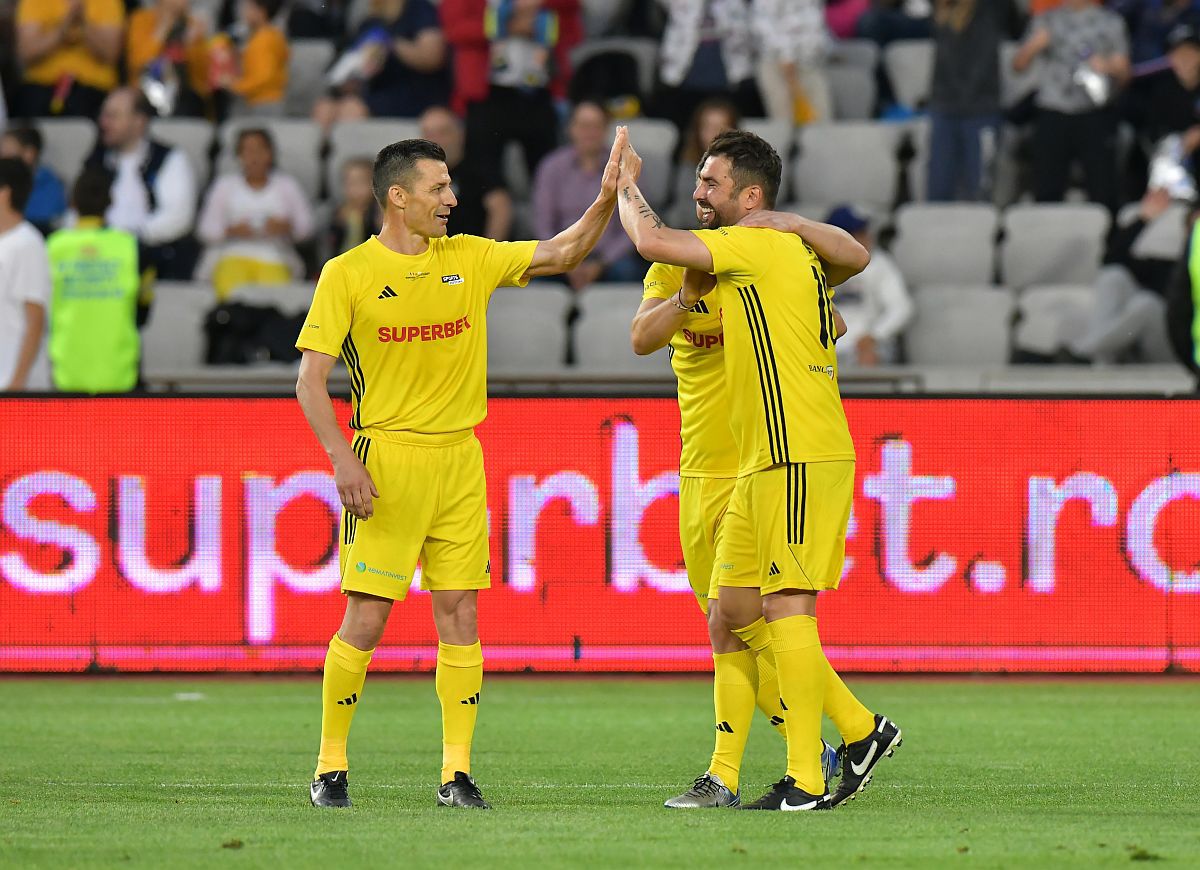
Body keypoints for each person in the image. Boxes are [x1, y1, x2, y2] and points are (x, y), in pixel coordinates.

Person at [297, 129, 628, 810]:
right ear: (397, 198)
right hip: (387, 460)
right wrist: (343, 462)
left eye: (449, 186)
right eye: (438, 188)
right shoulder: (347, 273)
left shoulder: (470, 258)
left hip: (459, 460)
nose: (452, 198)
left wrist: (607, 197)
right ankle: (330, 767)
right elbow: (310, 381)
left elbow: (564, 251)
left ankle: (455, 774)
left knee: (460, 614)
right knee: (367, 619)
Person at [615, 127, 903, 811]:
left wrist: (622, 185)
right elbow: (643, 334)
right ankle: (855, 732)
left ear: (750, 199)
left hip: (788, 448)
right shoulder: (753, 256)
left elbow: (650, 240)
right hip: (742, 462)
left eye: (710, 182)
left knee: (784, 607)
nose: (697, 192)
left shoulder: (756, 246)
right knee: (735, 612)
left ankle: (800, 776)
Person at [444, 0, 579, 188]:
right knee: (484, 177)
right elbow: (454, 29)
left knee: (547, 172)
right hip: (487, 93)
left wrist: (536, 8)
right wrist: (504, 26)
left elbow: (572, 17)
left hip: (540, 90)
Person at [1013, 0, 1131, 212]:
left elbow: (1124, 75)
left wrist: (1108, 66)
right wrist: (1033, 46)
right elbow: (1018, 65)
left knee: (1103, 190)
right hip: (1052, 111)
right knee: (1047, 190)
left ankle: (1107, 233)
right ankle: (1046, 231)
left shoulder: (1111, 21)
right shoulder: (1047, 19)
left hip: (1094, 113)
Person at [46, 166, 149, 394]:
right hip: (120, 373)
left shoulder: (53, 247)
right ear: (110, 202)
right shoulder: (132, 247)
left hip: (66, 372)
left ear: (72, 203)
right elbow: (144, 308)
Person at [84, 87, 198, 280]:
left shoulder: (169, 158)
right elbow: (78, 208)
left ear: (139, 121)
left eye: (113, 116)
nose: (103, 123)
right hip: (99, 253)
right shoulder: (97, 159)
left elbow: (178, 218)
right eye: (103, 115)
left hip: (150, 254)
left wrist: (132, 237)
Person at [196, 128, 315, 301]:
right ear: (239, 156)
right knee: (231, 295)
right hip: (232, 254)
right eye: (247, 151)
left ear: (270, 154)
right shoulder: (225, 185)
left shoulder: (286, 185)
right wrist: (231, 231)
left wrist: (286, 227)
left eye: (260, 150)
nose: (254, 157)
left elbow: (306, 227)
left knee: (276, 299)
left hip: (274, 256)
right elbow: (206, 229)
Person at [533, 101, 641, 289]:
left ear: (606, 129)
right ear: (571, 129)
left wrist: (602, 263)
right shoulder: (551, 167)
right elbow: (542, 223)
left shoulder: (626, 167)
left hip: (608, 258)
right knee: (533, 280)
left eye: (596, 126)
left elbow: (634, 224)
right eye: (584, 126)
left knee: (629, 271)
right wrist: (563, 260)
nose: (590, 133)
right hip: (560, 253)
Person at [1065, 187, 1178, 363]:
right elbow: (1112, 260)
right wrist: (1144, 219)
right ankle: (1100, 362)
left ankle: (1082, 352)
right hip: (1147, 341)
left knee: (1147, 303)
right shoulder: (1171, 266)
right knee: (1113, 277)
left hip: (1182, 350)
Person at [927, 0, 1023, 201]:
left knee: (980, 190)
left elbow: (1017, 28)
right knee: (938, 189)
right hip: (944, 108)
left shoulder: (994, 7)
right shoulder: (942, 6)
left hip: (982, 110)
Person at [314, 0, 448, 127]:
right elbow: (352, 69)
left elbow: (432, 56)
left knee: (352, 110)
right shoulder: (370, 20)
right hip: (375, 92)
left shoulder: (418, 9)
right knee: (325, 108)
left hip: (413, 92)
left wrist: (389, 43)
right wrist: (352, 80)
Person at [824, 205, 913, 367]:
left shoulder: (880, 263)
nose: (867, 237)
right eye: (859, 233)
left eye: (865, 231)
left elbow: (901, 308)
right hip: (822, 345)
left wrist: (874, 336)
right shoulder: (814, 262)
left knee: (871, 358)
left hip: (861, 347)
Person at [15, 0, 125, 118]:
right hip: (40, 87)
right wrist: (64, 27)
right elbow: (26, 53)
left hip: (93, 90)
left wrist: (82, 22)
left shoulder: (108, 2)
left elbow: (110, 54)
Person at [419, 105, 512, 240]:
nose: (435, 140)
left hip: (474, 248)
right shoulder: (416, 172)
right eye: (429, 134)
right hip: (431, 249)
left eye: (443, 132)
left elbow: (501, 209)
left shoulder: (480, 167)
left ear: (460, 133)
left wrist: (489, 251)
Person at [0, 158, 52, 392]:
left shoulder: (27, 243)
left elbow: (35, 319)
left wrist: (17, 383)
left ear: (5, 192)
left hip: (18, 390)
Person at [125, 0, 211, 118]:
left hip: (185, 103)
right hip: (146, 98)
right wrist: (162, 28)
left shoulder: (192, 24)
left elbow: (202, 77)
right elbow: (138, 62)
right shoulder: (141, 19)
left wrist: (193, 43)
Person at [752, 0, 832, 125]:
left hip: (812, 63)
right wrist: (786, 56)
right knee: (785, 122)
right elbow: (763, 23)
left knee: (822, 120)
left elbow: (816, 20)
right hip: (778, 64)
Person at [668, 98, 740, 227]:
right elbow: (683, 209)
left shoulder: (745, 166)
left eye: (721, 128)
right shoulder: (687, 163)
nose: (714, 134)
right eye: (708, 127)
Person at [216, 0, 288, 117]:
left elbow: (264, 77)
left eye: (250, 8)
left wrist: (235, 85)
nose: (245, 12)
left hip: (264, 103)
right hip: (262, 102)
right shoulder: (270, 35)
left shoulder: (264, 40)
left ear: (261, 12)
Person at [0, 126, 68, 234]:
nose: (2, 156)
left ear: (29, 153)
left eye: (7, 151)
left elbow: (49, 220)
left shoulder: (49, 183)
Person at [326, 157, 383, 258]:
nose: (356, 189)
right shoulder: (338, 213)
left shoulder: (379, 213)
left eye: (362, 183)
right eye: (351, 183)